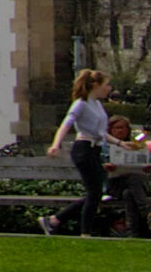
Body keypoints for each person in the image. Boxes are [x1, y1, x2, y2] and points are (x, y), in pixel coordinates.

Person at [48, 67, 113, 236]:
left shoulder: (97, 104)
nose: (109, 88)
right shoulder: (81, 104)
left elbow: (101, 132)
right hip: (83, 149)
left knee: (97, 192)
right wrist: (56, 144)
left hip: (94, 149)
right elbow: (66, 124)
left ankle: (55, 220)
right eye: (106, 85)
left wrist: (121, 143)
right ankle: (85, 232)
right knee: (95, 192)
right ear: (95, 85)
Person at [100, 113, 151, 238]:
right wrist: (105, 167)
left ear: (128, 130)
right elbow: (95, 165)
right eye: (116, 128)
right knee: (132, 180)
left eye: (123, 127)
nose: (120, 130)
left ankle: (132, 233)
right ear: (110, 130)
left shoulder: (137, 144)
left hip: (133, 187)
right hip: (114, 186)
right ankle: (149, 214)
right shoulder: (105, 146)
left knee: (129, 193)